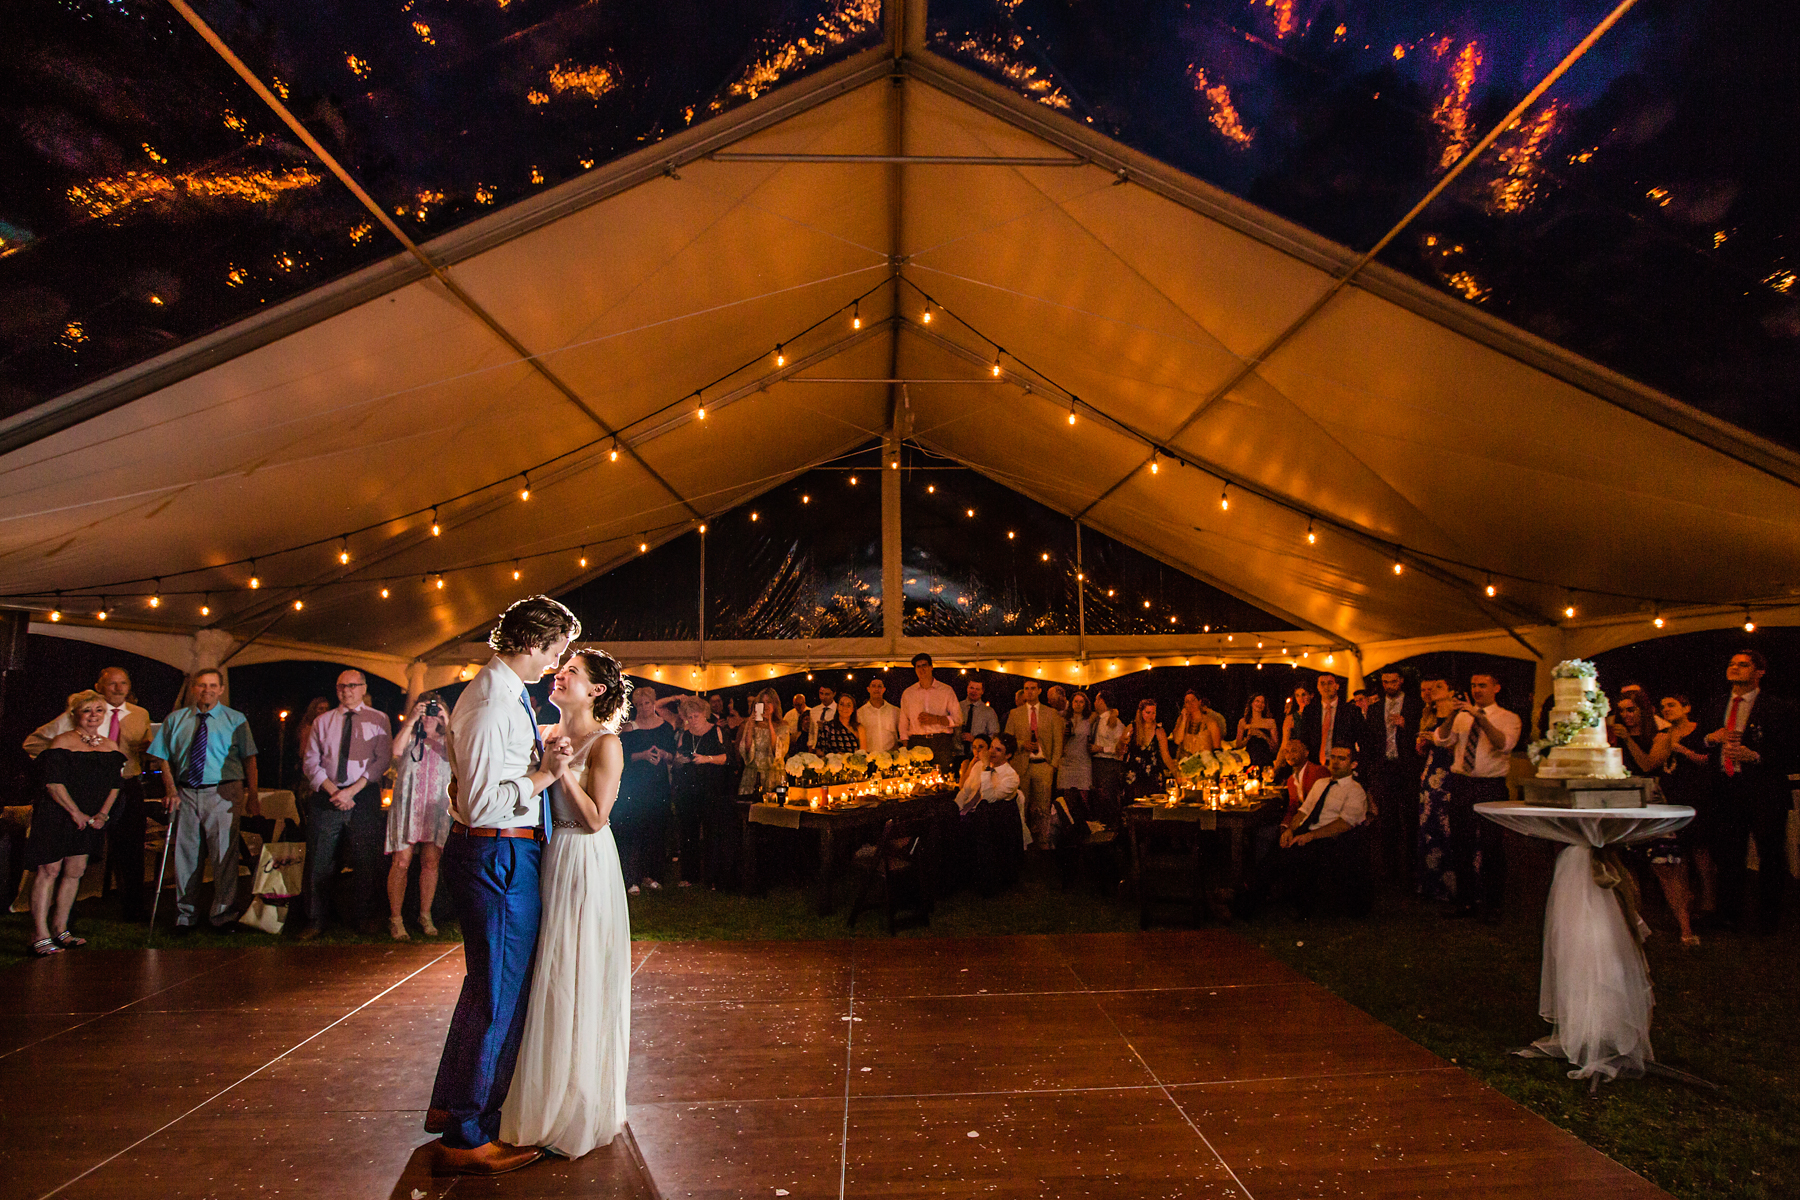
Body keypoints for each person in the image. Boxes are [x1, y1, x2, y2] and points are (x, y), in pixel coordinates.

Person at [427, 595, 578, 1176]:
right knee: (497, 993)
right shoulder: (491, 700)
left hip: (495, 847)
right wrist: (547, 773)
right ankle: (467, 1135)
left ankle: (454, 1107)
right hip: (498, 852)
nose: (556, 661)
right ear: (535, 643)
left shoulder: (499, 692)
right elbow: (487, 797)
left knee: (486, 986)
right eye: (557, 649)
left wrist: (537, 756)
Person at [500, 647, 631, 1160]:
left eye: (572, 672)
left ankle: (574, 1103)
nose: (561, 674)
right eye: (561, 667)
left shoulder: (606, 743)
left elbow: (598, 817)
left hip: (583, 858)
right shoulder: (548, 734)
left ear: (597, 690)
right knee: (545, 974)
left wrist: (560, 774)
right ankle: (538, 1091)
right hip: (545, 857)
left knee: (573, 971)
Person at [24, 666, 153, 920]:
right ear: (99, 686)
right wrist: (60, 761)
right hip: (72, 795)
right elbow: (33, 745)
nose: (118, 688)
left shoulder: (139, 715)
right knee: (59, 862)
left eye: (123, 683)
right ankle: (54, 922)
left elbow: (141, 754)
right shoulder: (78, 714)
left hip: (119, 788)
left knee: (124, 851)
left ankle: (130, 911)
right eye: (112, 684)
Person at [147, 668, 259, 934]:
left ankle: (223, 915)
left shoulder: (236, 719)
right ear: (193, 689)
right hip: (186, 793)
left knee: (223, 855)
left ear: (220, 689)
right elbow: (162, 757)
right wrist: (171, 789)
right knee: (186, 857)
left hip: (223, 793)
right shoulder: (175, 719)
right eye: (201, 685)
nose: (206, 690)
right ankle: (185, 916)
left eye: (212, 685)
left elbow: (250, 758)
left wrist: (252, 794)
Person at [24, 691, 125, 955]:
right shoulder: (61, 742)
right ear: (75, 715)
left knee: (75, 871)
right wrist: (75, 813)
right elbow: (53, 784)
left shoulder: (110, 746)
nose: (93, 716)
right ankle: (39, 934)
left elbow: (115, 785)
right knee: (49, 871)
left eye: (98, 710)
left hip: (90, 819)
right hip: (58, 815)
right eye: (87, 710)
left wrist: (102, 814)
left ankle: (61, 928)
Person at [1704, 649, 1798, 934]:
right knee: (1728, 854)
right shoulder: (1715, 704)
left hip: (1764, 789)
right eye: (1732, 664)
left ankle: (1767, 919)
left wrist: (1755, 756)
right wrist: (1711, 738)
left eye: (1743, 665)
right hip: (1726, 788)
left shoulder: (1779, 707)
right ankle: (1728, 915)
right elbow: (1697, 741)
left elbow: (1792, 751)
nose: (1735, 668)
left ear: (1759, 672)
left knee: (1770, 853)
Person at [298, 670, 394, 939]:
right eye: (341, 686)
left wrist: (352, 790)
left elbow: (382, 760)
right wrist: (333, 790)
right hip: (327, 794)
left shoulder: (379, 719)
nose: (347, 690)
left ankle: (363, 918)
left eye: (352, 686)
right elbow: (310, 761)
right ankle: (315, 920)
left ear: (363, 688)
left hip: (362, 795)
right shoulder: (322, 721)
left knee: (365, 859)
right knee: (319, 859)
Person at [1433, 671, 1520, 921]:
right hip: (1462, 783)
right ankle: (1465, 902)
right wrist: (1452, 714)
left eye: (1482, 685)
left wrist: (1479, 717)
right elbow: (1440, 740)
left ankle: (1493, 904)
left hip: (1490, 786)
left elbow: (1502, 744)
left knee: (1492, 845)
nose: (1477, 690)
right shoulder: (1461, 716)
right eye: (1473, 685)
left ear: (1496, 687)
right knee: (1461, 844)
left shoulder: (1508, 718)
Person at [1253, 746, 1372, 918]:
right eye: (1333, 758)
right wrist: (1290, 829)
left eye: (1341, 759)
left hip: (1328, 839)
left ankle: (1245, 900)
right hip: (1305, 832)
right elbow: (1303, 811)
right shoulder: (1321, 784)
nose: (1336, 763)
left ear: (1353, 764)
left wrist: (1310, 836)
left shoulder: (1354, 791)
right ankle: (1247, 896)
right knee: (1273, 852)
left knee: (1287, 857)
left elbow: (1344, 824)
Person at [1609, 695, 1688, 944]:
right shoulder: (1613, 736)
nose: (1626, 715)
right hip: (1623, 801)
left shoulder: (1660, 735)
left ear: (1643, 711)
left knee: (1664, 866)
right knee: (1627, 866)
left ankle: (1686, 929)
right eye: (1621, 711)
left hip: (1651, 802)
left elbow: (1647, 764)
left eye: (1631, 710)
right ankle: (1635, 926)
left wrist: (1627, 741)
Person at [387, 692, 453, 940]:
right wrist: (410, 720)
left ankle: (425, 914)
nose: (429, 715)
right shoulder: (411, 736)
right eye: (425, 709)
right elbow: (395, 750)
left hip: (435, 807)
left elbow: (459, 757)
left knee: (430, 862)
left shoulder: (448, 740)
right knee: (401, 862)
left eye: (434, 710)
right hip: (408, 806)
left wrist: (447, 724)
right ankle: (395, 918)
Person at [1658, 693, 1715, 942]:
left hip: (1697, 796)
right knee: (1678, 852)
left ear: (1687, 707)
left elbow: (1707, 762)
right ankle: (1686, 902)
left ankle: (1710, 902)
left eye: (1671, 705)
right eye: (1663, 707)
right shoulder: (1663, 734)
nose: (1667, 709)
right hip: (1671, 797)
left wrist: (1681, 749)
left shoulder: (1698, 732)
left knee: (1701, 851)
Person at [1367, 668, 1424, 886]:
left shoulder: (1415, 704)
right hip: (1385, 767)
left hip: (1407, 766)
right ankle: (1389, 869)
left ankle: (1411, 868)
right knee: (1387, 820)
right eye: (1385, 682)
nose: (1389, 686)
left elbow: (1423, 733)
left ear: (1400, 681)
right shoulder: (1374, 708)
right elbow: (1371, 739)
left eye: (1392, 681)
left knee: (1410, 818)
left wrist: (1405, 725)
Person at [616, 684, 675, 895]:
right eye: (639, 704)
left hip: (658, 786)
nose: (643, 707)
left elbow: (673, 756)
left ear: (653, 703)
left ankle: (653, 875)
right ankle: (632, 878)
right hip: (635, 786)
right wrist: (642, 756)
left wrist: (663, 754)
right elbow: (622, 757)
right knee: (634, 831)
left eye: (647, 703)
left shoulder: (666, 727)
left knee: (656, 830)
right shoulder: (630, 728)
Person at [671, 695, 733, 889]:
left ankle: (713, 877)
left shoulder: (716, 731)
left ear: (704, 714)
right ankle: (690, 875)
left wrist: (707, 759)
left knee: (712, 832)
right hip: (689, 788)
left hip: (711, 787)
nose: (692, 720)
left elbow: (727, 758)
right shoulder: (686, 734)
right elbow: (677, 756)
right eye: (689, 717)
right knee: (688, 831)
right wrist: (679, 761)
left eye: (696, 716)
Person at [1414, 675, 1460, 904]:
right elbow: (1422, 751)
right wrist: (1423, 744)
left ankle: (1452, 884)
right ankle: (1431, 882)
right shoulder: (1428, 714)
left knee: (1448, 826)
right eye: (1430, 687)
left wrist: (1436, 740)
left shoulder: (1459, 716)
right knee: (1429, 825)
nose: (1432, 690)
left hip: (1450, 772)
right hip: (1430, 772)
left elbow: (1456, 746)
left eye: (1438, 686)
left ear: (1452, 692)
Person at [1003, 679, 1063, 847]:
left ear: (1039, 691)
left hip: (1043, 764)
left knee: (1043, 807)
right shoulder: (1015, 714)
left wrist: (1053, 765)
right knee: (1022, 805)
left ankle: (1043, 842)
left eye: (1033, 689)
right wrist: (1022, 744)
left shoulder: (1050, 713)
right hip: (1022, 765)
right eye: (1026, 689)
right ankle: (1022, 841)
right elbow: (1007, 739)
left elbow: (1058, 740)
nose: (1029, 692)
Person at [898, 654, 960, 766]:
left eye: (924, 665)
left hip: (940, 741)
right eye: (918, 666)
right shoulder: (908, 693)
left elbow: (958, 719)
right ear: (915, 670)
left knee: (942, 778)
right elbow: (903, 721)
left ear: (931, 667)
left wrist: (936, 719)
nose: (922, 669)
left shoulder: (946, 690)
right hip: (917, 741)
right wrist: (905, 746)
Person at [1294, 673, 1360, 767]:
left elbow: (1361, 738)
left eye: (1330, 683)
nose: (1326, 687)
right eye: (1322, 683)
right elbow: (1304, 738)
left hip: (1342, 764)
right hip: (1316, 763)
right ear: (1318, 687)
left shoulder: (1351, 710)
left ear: (1336, 686)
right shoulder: (1310, 711)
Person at [1088, 690, 1127, 826]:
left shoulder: (1114, 722)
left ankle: (1113, 827)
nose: (1094, 703)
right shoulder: (1095, 720)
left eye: (1096, 700)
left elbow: (1121, 748)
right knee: (1099, 796)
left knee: (1108, 797)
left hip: (1109, 763)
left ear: (1101, 701)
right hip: (1097, 763)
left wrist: (1101, 749)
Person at [1121, 697, 1174, 799]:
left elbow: (1166, 756)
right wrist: (1123, 742)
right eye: (1148, 712)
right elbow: (1119, 749)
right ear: (1141, 712)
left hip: (1152, 775)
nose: (1151, 716)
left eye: (1153, 713)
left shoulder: (1159, 731)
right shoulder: (1132, 728)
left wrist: (1176, 772)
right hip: (1134, 775)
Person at [1058, 691, 1094, 834]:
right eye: (1076, 702)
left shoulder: (1090, 719)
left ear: (1085, 705)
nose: (1078, 704)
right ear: (1071, 704)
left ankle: (1085, 826)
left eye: (1081, 702)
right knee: (1067, 798)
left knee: (1084, 795)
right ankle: (1069, 827)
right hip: (1067, 760)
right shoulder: (1063, 719)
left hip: (1083, 760)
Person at [956, 679, 1000, 764]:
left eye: (977, 689)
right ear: (967, 688)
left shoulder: (988, 712)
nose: (974, 691)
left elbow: (994, 736)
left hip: (979, 757)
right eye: (972, 688)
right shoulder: (957, 707)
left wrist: (975, 739)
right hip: (957, 753)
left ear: (982, 691)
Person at [1233, 694, 1279, 767]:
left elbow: (1275, 748)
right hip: (1248, 760)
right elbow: (1238, 745)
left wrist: (1264, 736)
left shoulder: (1270, 722)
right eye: (1257, 701)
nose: (1260, 704)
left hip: (1265, 759)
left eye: (1262, 702)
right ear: (1251, 703)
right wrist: (1248, 737)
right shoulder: (1243, 722)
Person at [857, 678, 901, 753]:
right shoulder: (860, 713)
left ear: (884, 689)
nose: (876, 689)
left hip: (891, 755)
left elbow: (902, 734)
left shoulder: (895, 711)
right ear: (868, 689)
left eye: (879, 686)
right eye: (873, 686)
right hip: (869, 756)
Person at [1171, 690, 1219, 757]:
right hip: (1185, 761)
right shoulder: (1181, 720)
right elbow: (1177, 740)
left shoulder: (1211, 722)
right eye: (1187, 702)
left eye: (1193, 700)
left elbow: (1217, 748)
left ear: (1199, 702)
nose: (1191, 704)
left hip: (1205, 761)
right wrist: (1184, 719)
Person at [1280, 682, 1314, 750]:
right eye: (1297, 695)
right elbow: (1285, 743)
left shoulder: (1317, 714)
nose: (1300, 698)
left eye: (1303, 695)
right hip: (1297, 753)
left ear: (1311, 695)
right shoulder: (1291, 717)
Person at [807, 685, 838, 750]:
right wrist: (810, 745)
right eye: (821, 694)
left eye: (827, 694)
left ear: (834, 694)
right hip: (816, 748)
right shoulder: (814, 711)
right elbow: (811, 731)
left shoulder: (838, 710)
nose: (823, 697)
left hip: (833, 749)